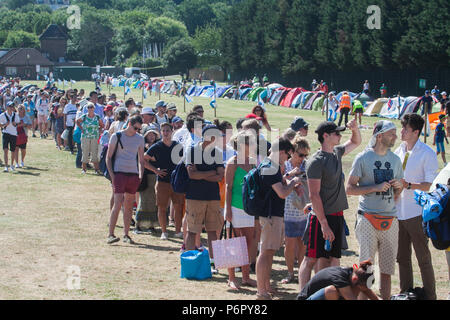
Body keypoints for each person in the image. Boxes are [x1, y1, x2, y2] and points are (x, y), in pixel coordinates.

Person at [299, 119, 361, 292]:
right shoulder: (316, 161)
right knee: (311, 258)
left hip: (337, 215)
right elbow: (314, 194)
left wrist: (355, 129)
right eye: (337, 133)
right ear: (325, 136)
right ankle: (303, 295)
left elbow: (356, 141)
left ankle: (326, 293)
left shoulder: (337, 152)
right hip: (321, 218)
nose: (340, 135)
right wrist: (324, 224)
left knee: (333, 259)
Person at [347, 120, 404, 300]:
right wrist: (374, 188)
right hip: (367, 218)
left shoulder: (395, 160)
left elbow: (398, 192)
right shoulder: (362, 158)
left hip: (390, 220)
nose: (395, 136)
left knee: (387, 269)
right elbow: (349, 188)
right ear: (379, 136)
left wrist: (399, 186)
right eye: (391, 133)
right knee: (366, 269)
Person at [394, 113, 439, 300]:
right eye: (402, 127)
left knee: (423, 259)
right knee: (402, 258)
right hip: (398, 212)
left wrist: (409, 185)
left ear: (416, 132)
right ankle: (406, 293)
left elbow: (430, 184)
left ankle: (430, 295)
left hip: (417, 212)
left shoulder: (427, 153)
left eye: (406, 129)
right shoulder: (399, 150)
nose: (402, 131)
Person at [255, 138, 303, 300]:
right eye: (287, 155)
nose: (288, 159)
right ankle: (261, 291)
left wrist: (289, 180)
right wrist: (294, 182)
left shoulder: (270, 166)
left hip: (272, 215)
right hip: (270, 216)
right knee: (265, 252)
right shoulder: (270, 167)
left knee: (269, 252)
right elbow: (282, 192)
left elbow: (280, 185)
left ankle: (266, 286)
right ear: (281, 152)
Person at [185, 124, 225, 272]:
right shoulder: (193, 150)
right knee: (192, 231)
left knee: (212, 231)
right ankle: (190, 262)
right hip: (194, 196)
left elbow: (220, 176)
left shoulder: (217, 153)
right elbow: (191, 175)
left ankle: (213, 263)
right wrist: (211, 172)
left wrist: (201, 175)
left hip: (212, 197)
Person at [224, 131, 257, 290]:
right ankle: (231, 278)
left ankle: (246, 277)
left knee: (249, 243)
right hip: (235, 207)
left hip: (248, 208)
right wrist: (228, 210)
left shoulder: (252, 162)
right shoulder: (233, 162)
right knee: (234, 243)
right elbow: (228, 187)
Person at [107, 115, 145, 245]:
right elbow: (108, 157)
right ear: (129, 123)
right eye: (135, 128)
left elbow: (141, 159)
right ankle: (111, 234)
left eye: (139, 129)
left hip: (133, 174)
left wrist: (141, 174)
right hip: (119, 173)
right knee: (117, 204)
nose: (137, 131)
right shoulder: (116, 136)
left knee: (129, 206)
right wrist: (112, 176)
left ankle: (126, 234)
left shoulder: (139, 139)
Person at [145, 123, 184, 240]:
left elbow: (184, 161)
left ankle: (178, 231)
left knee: (178, 207)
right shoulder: (157, 146)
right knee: (162, 207)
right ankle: (164, 231)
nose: (166, 133)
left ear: (172, 132)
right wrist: (155, 171)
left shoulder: (178, 146)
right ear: (161, 132)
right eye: (163, 131)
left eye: (168, 130)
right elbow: (143, 159)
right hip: (162, 182)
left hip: (176, 182)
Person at [281, 136, 310, 285]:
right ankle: (290, 273)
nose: (303, 158)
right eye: (300, 155)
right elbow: (280, 181)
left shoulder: (308, 165)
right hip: (289, 209)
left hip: (304, 209)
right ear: (292, 152)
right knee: (290, 243)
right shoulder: (285, 164)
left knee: (303, 243)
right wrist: (291, 174)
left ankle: (301, 272)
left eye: (305, 155)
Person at [297, 260, 379, 300]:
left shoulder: (353, 275)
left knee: (355, 289)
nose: (365, 289)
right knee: (331, 291)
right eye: (363, 287)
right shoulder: (340, 278)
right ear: (355, 279)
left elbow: (367, 291)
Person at [136, 129, 160, 234]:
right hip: (145, 176)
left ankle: (151, 225)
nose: (151, 137)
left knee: (153, 201)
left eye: (153, 135)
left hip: (155, 176)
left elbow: (157, 159)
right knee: (143, 200)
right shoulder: (142, 146)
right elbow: (144, 160)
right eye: (149, 135)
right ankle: (139, 225)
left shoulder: (157, 146)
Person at [77, 102, 104, 174]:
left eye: (91, 107)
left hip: (94, 136)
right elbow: (77, 121)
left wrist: (99, 129)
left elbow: (102, 124)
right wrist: (81, 128)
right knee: (85, 152)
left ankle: (96, 169)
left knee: (94, 152)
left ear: (94, 108)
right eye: (89, 107)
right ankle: (84, 169)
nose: (90, 109)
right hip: (85, 136)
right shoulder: (84, 116)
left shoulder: (97, 117)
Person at [0, 102, 17, 172]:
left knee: (13, 150)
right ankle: (6, 166)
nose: (11, 108)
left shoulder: (15, 115)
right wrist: (4, 124)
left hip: (13, 134)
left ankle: (12, 165)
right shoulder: (2, 115)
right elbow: (0, 124)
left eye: (12, 106)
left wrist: (15, 124)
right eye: (10, 106)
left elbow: (18, 123)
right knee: (5, 150)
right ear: (7, 107)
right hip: (6, 133)